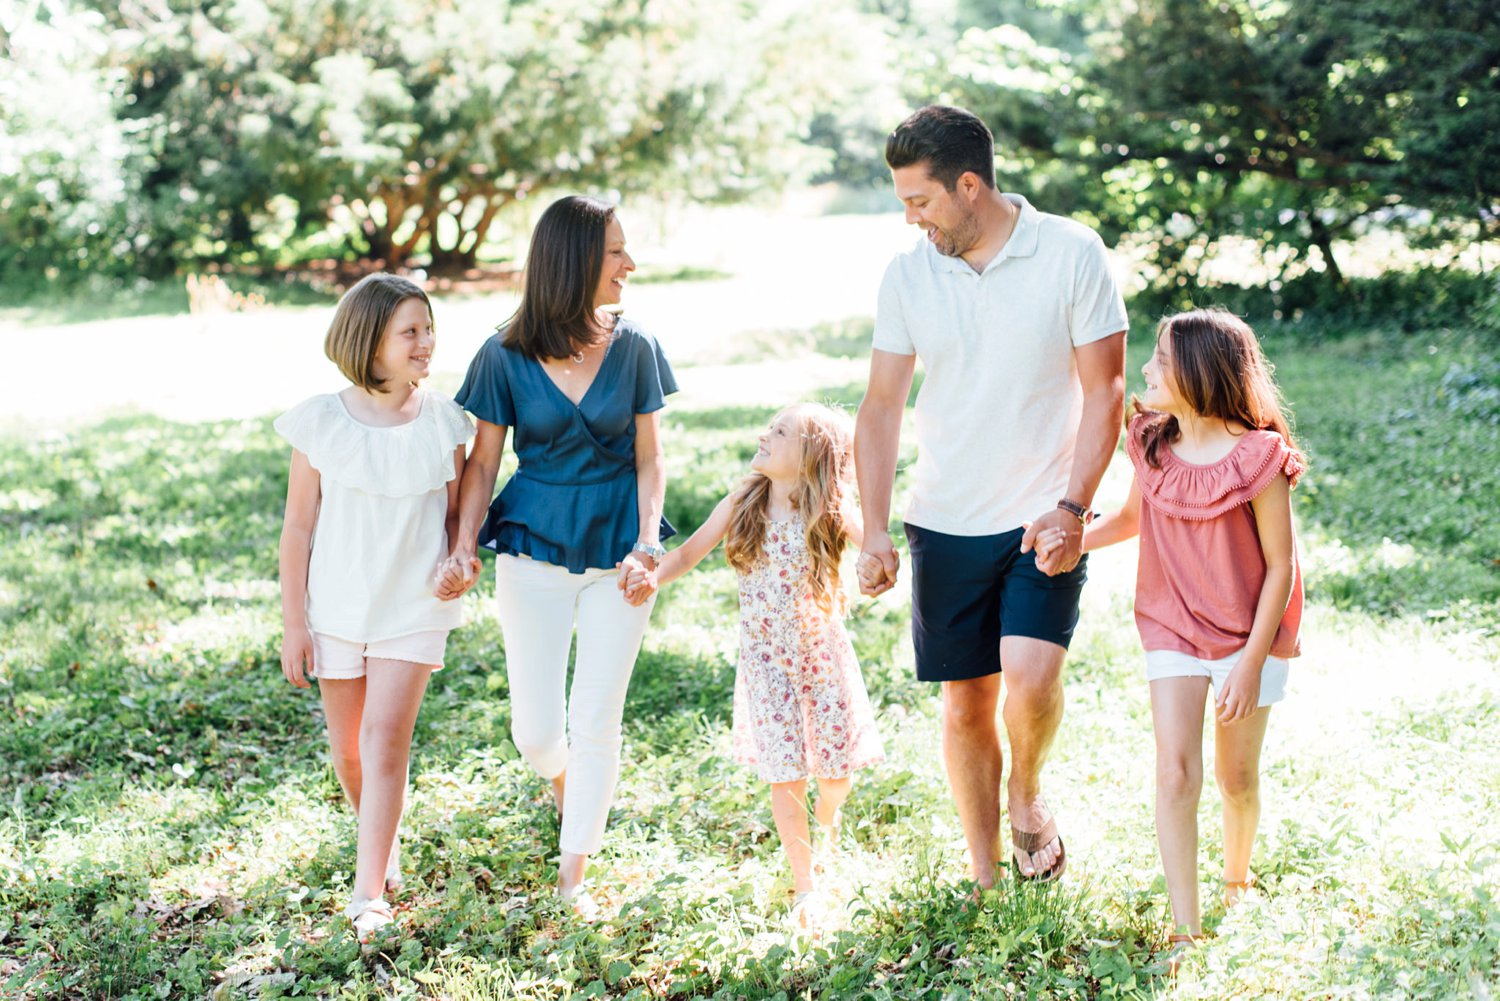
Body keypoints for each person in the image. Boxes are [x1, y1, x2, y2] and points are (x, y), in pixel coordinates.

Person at [855, 105, 1128, 887]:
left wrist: (1074, 508)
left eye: (921, 201)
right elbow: (880, 407)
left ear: (968, 185)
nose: (911, 219)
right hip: (944, 517)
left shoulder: (1071, 252)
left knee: (1033, 681)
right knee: (967, 704)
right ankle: (984, 876)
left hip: (1043, 511)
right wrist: (874, 528)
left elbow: (1105, 391)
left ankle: (1028, 791)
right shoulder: (909, 273)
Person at [439, 195, 675, 917]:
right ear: (573, 262)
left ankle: (574, 875)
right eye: (615, 252)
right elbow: (482, 464)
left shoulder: (635, 346)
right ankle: (570, 786)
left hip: (618, 554)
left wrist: (647, 544)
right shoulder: (502, 354)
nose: (629, 264)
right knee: (537, 731)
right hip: (533, 549)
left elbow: (650, 458)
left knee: (597, 715)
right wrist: (461, 545)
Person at [1072, 307, 1305, 966]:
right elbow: (1130, 519)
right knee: (1175, 772)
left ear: (1199, 374)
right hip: (1171, 621)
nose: (1146, 371)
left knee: (1236, 777)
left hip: (1248, 633)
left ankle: (1238, 876)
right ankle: (1185, 929)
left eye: (1160, 361)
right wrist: (1070, 541)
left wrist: (1250, 663)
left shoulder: (1258, 455)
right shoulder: (1149, 441)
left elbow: (1281, 566)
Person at [621, 403, 884, 931]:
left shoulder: (830, 507)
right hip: (766, 664)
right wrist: (653, 575)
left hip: (821, 657)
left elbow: (873, 547)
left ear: (811, 456)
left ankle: (828, 824)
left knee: (834, 774)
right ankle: (805, 886)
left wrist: (877, 563)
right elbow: (690, 553)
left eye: (780, 432)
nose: (765, 434)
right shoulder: (744, 500)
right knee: (786, 775)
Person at [275, 273, 475, 939]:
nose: (426, 342)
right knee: (349, 751)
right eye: (409, 331)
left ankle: (369, 895)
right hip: (335, 607)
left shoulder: (446, 422)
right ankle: (380, 840)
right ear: (370, 341)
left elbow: (452, 523)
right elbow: (298, 527)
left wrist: (457, 561)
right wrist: (294, 621)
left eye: (428, 327)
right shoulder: (320, 421)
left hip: (412, 605)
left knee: (384, 739)